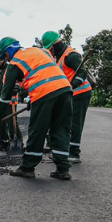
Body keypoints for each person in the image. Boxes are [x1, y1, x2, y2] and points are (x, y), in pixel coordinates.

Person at [0, 37, 74, 180]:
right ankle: (63, 169)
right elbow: (44, 71)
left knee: (37, 130)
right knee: (60, 130)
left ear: (7, 52)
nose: (6, 59)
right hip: (64, 90)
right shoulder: (39, 50)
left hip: (44, 93)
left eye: (5, 55)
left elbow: (5, 97)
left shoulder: (15, 63)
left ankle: (27, 168)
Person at [41, 31, 92, 164]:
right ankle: (62, 151)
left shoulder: (71, 55)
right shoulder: (58, 57)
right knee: (64, 122)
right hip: (68, 94)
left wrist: (72, 85)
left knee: (75, 123)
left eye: (50, 49)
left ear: (54, 45)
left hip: (80, 93)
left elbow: (82, 72)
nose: (50, 52)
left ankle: (74, 153)